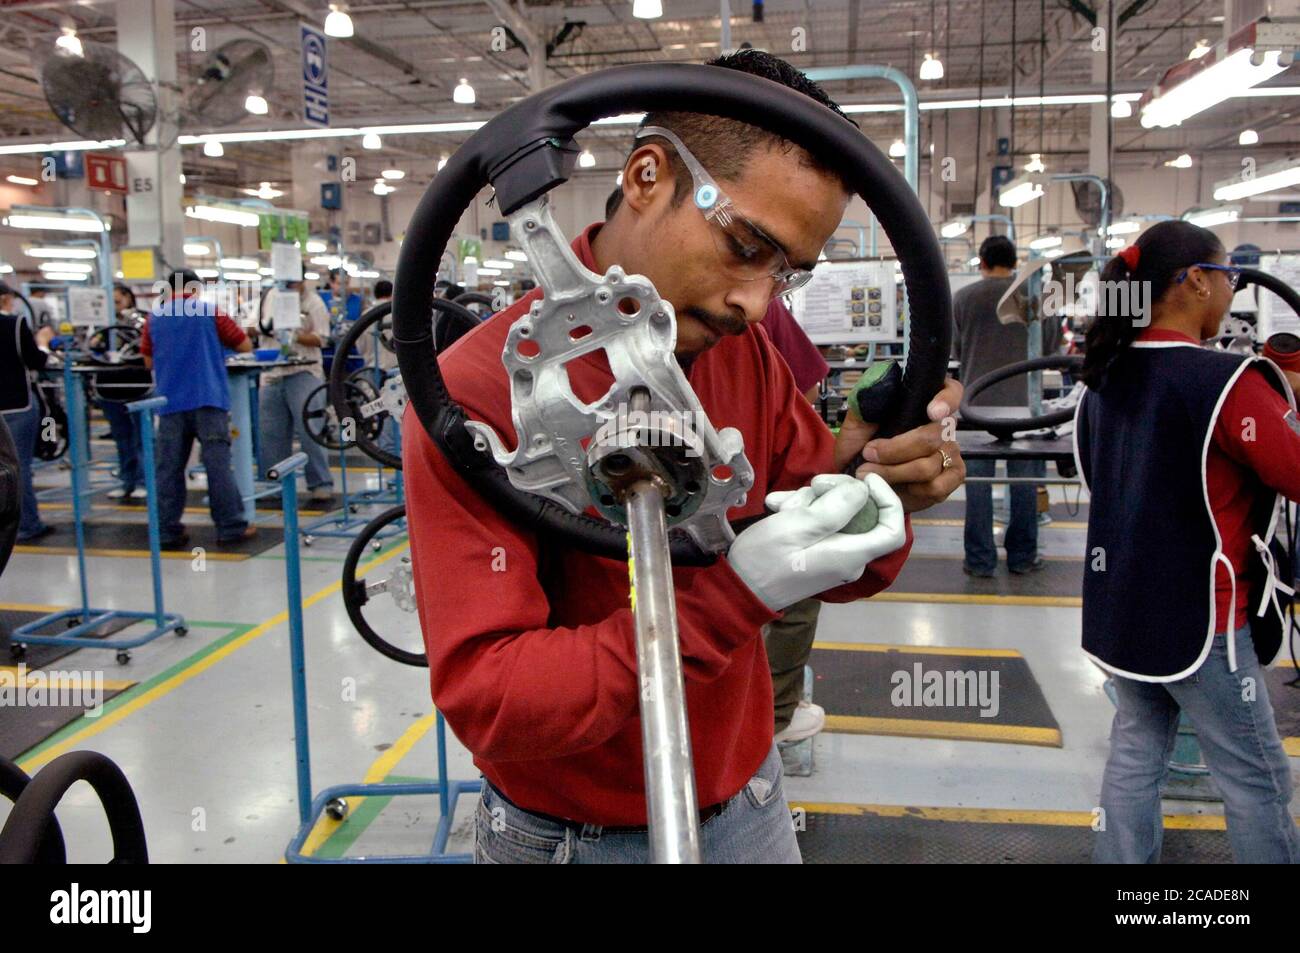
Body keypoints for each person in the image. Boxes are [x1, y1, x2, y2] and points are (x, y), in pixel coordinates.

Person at [404, 50, 966, 864]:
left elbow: (839, 564)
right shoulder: (478, 394)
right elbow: (494, 699)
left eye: (787, 273)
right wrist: (731, 598)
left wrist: (882, 501)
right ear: (647, 175)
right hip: (570, 839)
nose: (756, 303)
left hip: (752, 801)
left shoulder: (743, 350)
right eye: (745, 244)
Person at [1078, 220, 1300, 864]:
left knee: (1135, 757)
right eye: (1227, 276)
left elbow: (1101, 481)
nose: (1231, 290)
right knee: (1257, 780)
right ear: (1196, 281)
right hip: (1207, 623)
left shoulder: (1103, 379)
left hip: (1122, 613)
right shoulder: (1225, 381)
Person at [953, 234, 1053, 577]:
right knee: (1023, 484)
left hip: (976, 407)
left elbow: (954, 350)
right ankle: (1022, 557)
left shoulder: (963, 298)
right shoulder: (1036, 297)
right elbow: (1051, 345)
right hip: (1026, 407)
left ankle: (979, 561)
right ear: (1015, 263)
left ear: (981, 262)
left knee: (977, 485)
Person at [140, 269, 254, 549]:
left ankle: (167, 531)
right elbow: (245, 344)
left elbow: (148, 362)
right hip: (208, 398)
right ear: (196, 288)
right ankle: (230, 527)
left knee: (168, 469)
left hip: (169, 403)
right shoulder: (210, 312)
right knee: (217, 466)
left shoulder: (154, 317)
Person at [258, 277, 334, 503]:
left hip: (305, 371)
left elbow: (323, 339)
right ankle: (274, 484)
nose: (288, 288)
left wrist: (294, 336)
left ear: (302, 281)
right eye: (284, 283)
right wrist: (265, 327)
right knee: (271, 434)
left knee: (310, 430)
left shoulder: (314, 303)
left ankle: (320, 483)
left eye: (293, 283)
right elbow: (254, 326)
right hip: (272, 372)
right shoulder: (269, 296)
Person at [0, 283, 52, 541]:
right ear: (6, 299)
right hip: (16, 407)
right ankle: (27, 524)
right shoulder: (14, 324)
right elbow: (36, 361)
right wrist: (43, 343)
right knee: (19, 469)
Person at [101, 283, 146, 500]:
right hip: (109, 388)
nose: (115, 307)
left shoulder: (142, 321)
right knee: (122, 439)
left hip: (139, 387)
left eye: (117, 302)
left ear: (129, 298)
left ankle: (143, 481)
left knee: (142, 439)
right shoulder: (100, 324)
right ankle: (127, 480)